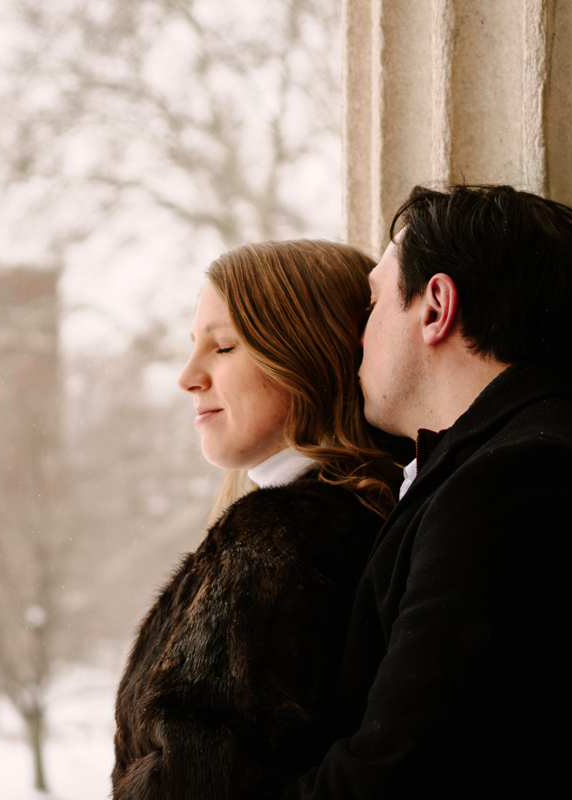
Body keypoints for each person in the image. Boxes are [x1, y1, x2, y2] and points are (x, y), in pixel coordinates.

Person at [286, 185, 572, 799]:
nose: (355, 339)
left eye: (370, 306)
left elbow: (402, 775)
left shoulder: (523, 478)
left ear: (436, 307)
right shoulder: (520, 458)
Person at [112, 240, 401, 799]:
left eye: (223, 348)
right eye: (194, 346)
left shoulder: (282, 541)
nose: (188, 377)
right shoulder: (357, 514)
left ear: (308, 355)